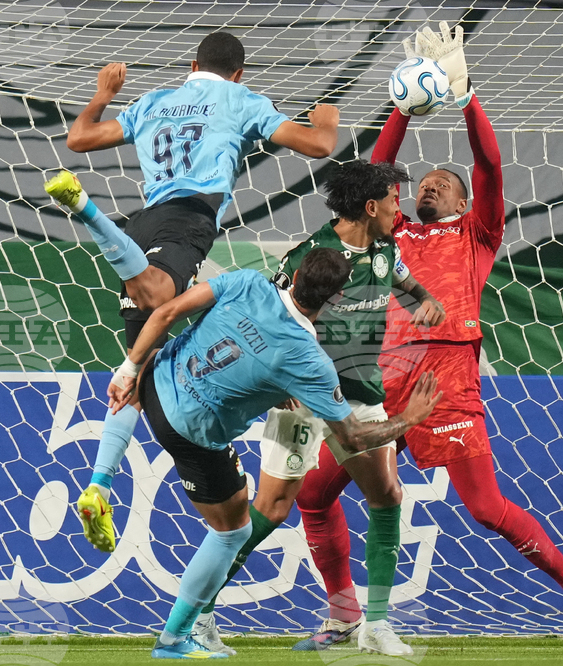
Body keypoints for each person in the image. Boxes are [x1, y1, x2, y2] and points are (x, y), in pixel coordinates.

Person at [291, 22, 563, 653]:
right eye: (421, 183)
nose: (428, 186)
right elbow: (375, 174)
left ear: (464, 201)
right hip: (380, 375)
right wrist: (401, 107)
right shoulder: (393, 232)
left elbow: (489, 165)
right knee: (312, 494)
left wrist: (466, 95)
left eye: (441, 184)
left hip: (444, 376)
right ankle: (344, 615)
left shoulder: (478, 232)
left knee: (485, 508)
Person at [43, 31, 340, 558]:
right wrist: (328, 118)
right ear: (238, 73)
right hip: (188, 220)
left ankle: (99, 485)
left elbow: (79, 138)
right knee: (158, 294)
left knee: (136, 368)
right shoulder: (241, 99)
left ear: (192, 64)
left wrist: (103, 93)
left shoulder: (154, 101)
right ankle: (86, 209)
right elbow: (319, 146)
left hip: (141, 227)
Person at [106, 247, 442, 659]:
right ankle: (176, 637)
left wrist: (128, 369)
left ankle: (100, 481)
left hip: (154, 385)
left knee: (155, 358)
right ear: (337, 297)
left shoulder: (248, 282)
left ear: (295, 275)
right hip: (190, 433)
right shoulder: (308, 360)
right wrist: (409, 418)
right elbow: (354, 437)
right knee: (233, 532)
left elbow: (166, 313)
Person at [190, 159, 445, 657]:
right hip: (303, 397)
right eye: (393, 201)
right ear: (370, 207)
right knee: (270, 509)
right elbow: (266, 318)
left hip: (361, 394)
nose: (400, 209)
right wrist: (279, 381)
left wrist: (426, 302)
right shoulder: (311, 257)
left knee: (387, 495)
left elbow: (408, 285)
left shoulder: (385, 250)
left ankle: (375, 626)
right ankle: (199, 614)